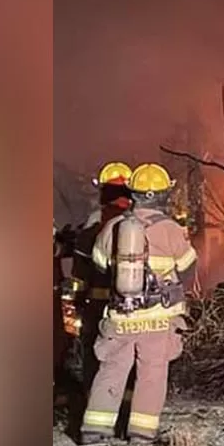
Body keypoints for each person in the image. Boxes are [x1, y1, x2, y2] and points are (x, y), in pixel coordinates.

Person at [80, 163, 198, 444]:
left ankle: (95, 429)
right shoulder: (170, 229)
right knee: (152, 373)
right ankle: (141, 433)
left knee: (111, 369)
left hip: (121, 315)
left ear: (132, 193)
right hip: (158, 318)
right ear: (163, 195)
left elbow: (98, 265)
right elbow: (188, 267)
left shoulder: (113, 226)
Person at [70, 161, 134, 394]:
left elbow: (80, 270)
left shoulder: (95, 224)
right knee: (128, 356)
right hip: (133, 306)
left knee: (95, 354)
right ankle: (125, 406)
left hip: (97, 305)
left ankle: (93, 400)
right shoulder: (138, 223)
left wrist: (77, 301)